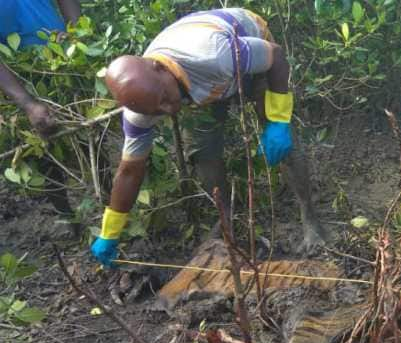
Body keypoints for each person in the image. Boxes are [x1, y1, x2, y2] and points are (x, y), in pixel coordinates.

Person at [91, 8, 326, 270]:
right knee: (204, 153)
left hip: (247, 52)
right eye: (157, 111)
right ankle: (225, 221)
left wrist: (279, 120)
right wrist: (109, 232)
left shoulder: (214, 55)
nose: (169, 111)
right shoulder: (142, 107)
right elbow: (130, 171)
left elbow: (276, 56)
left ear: (159, 68)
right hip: (203, 83)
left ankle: (310, 219)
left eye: (165, 99)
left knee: (283, 142)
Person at [0, 0, 81, 216]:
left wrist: (77, 33)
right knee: (44, 149)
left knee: (89, 130)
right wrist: (27, 103)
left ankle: (110, 199)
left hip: (67, 59)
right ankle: (67, 217)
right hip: (19, 79)